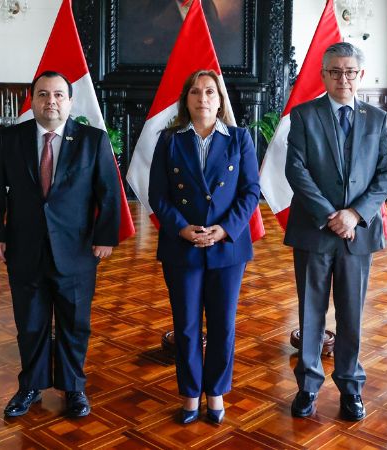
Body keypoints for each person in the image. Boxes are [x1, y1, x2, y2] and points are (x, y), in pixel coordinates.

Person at [0, 71, 121, 418]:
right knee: (30, 323)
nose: (51, 101)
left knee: (75, 323)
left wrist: (105, 237)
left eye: (58, 95)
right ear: (33, 100)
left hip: (77, 250)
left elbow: (109, 192)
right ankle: (31, 385)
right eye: (43, 94)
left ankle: (73, 388)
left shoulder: (92, 140)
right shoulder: (11, 139)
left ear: (70, 101)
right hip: (24, 248)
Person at [285, 42, 387, 422]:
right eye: (335, 71)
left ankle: (350, 386)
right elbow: (296, 169)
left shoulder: (377, 119)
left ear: (360, 75)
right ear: (323, 75)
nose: (343, 79)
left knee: (352, 315)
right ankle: (308, 386)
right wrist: (329, 214)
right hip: (314, 229)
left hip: (358, 233)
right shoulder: (304, 115)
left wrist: (354, 215)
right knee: (311, 313)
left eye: (350, 72)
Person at [148, 69, 260, 425]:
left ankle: (216, 393)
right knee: (186, 326)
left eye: (210, 91)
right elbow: (157, 195)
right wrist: (182, 229)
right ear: (186, 99)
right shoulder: (169, 140)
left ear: (220, 98)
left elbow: (251, 192)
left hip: (226, 246)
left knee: (223, 325)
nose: (202, 98)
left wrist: (225, 229)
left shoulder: (240, 138)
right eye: (195, 91)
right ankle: (190, 395)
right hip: (183, 246)